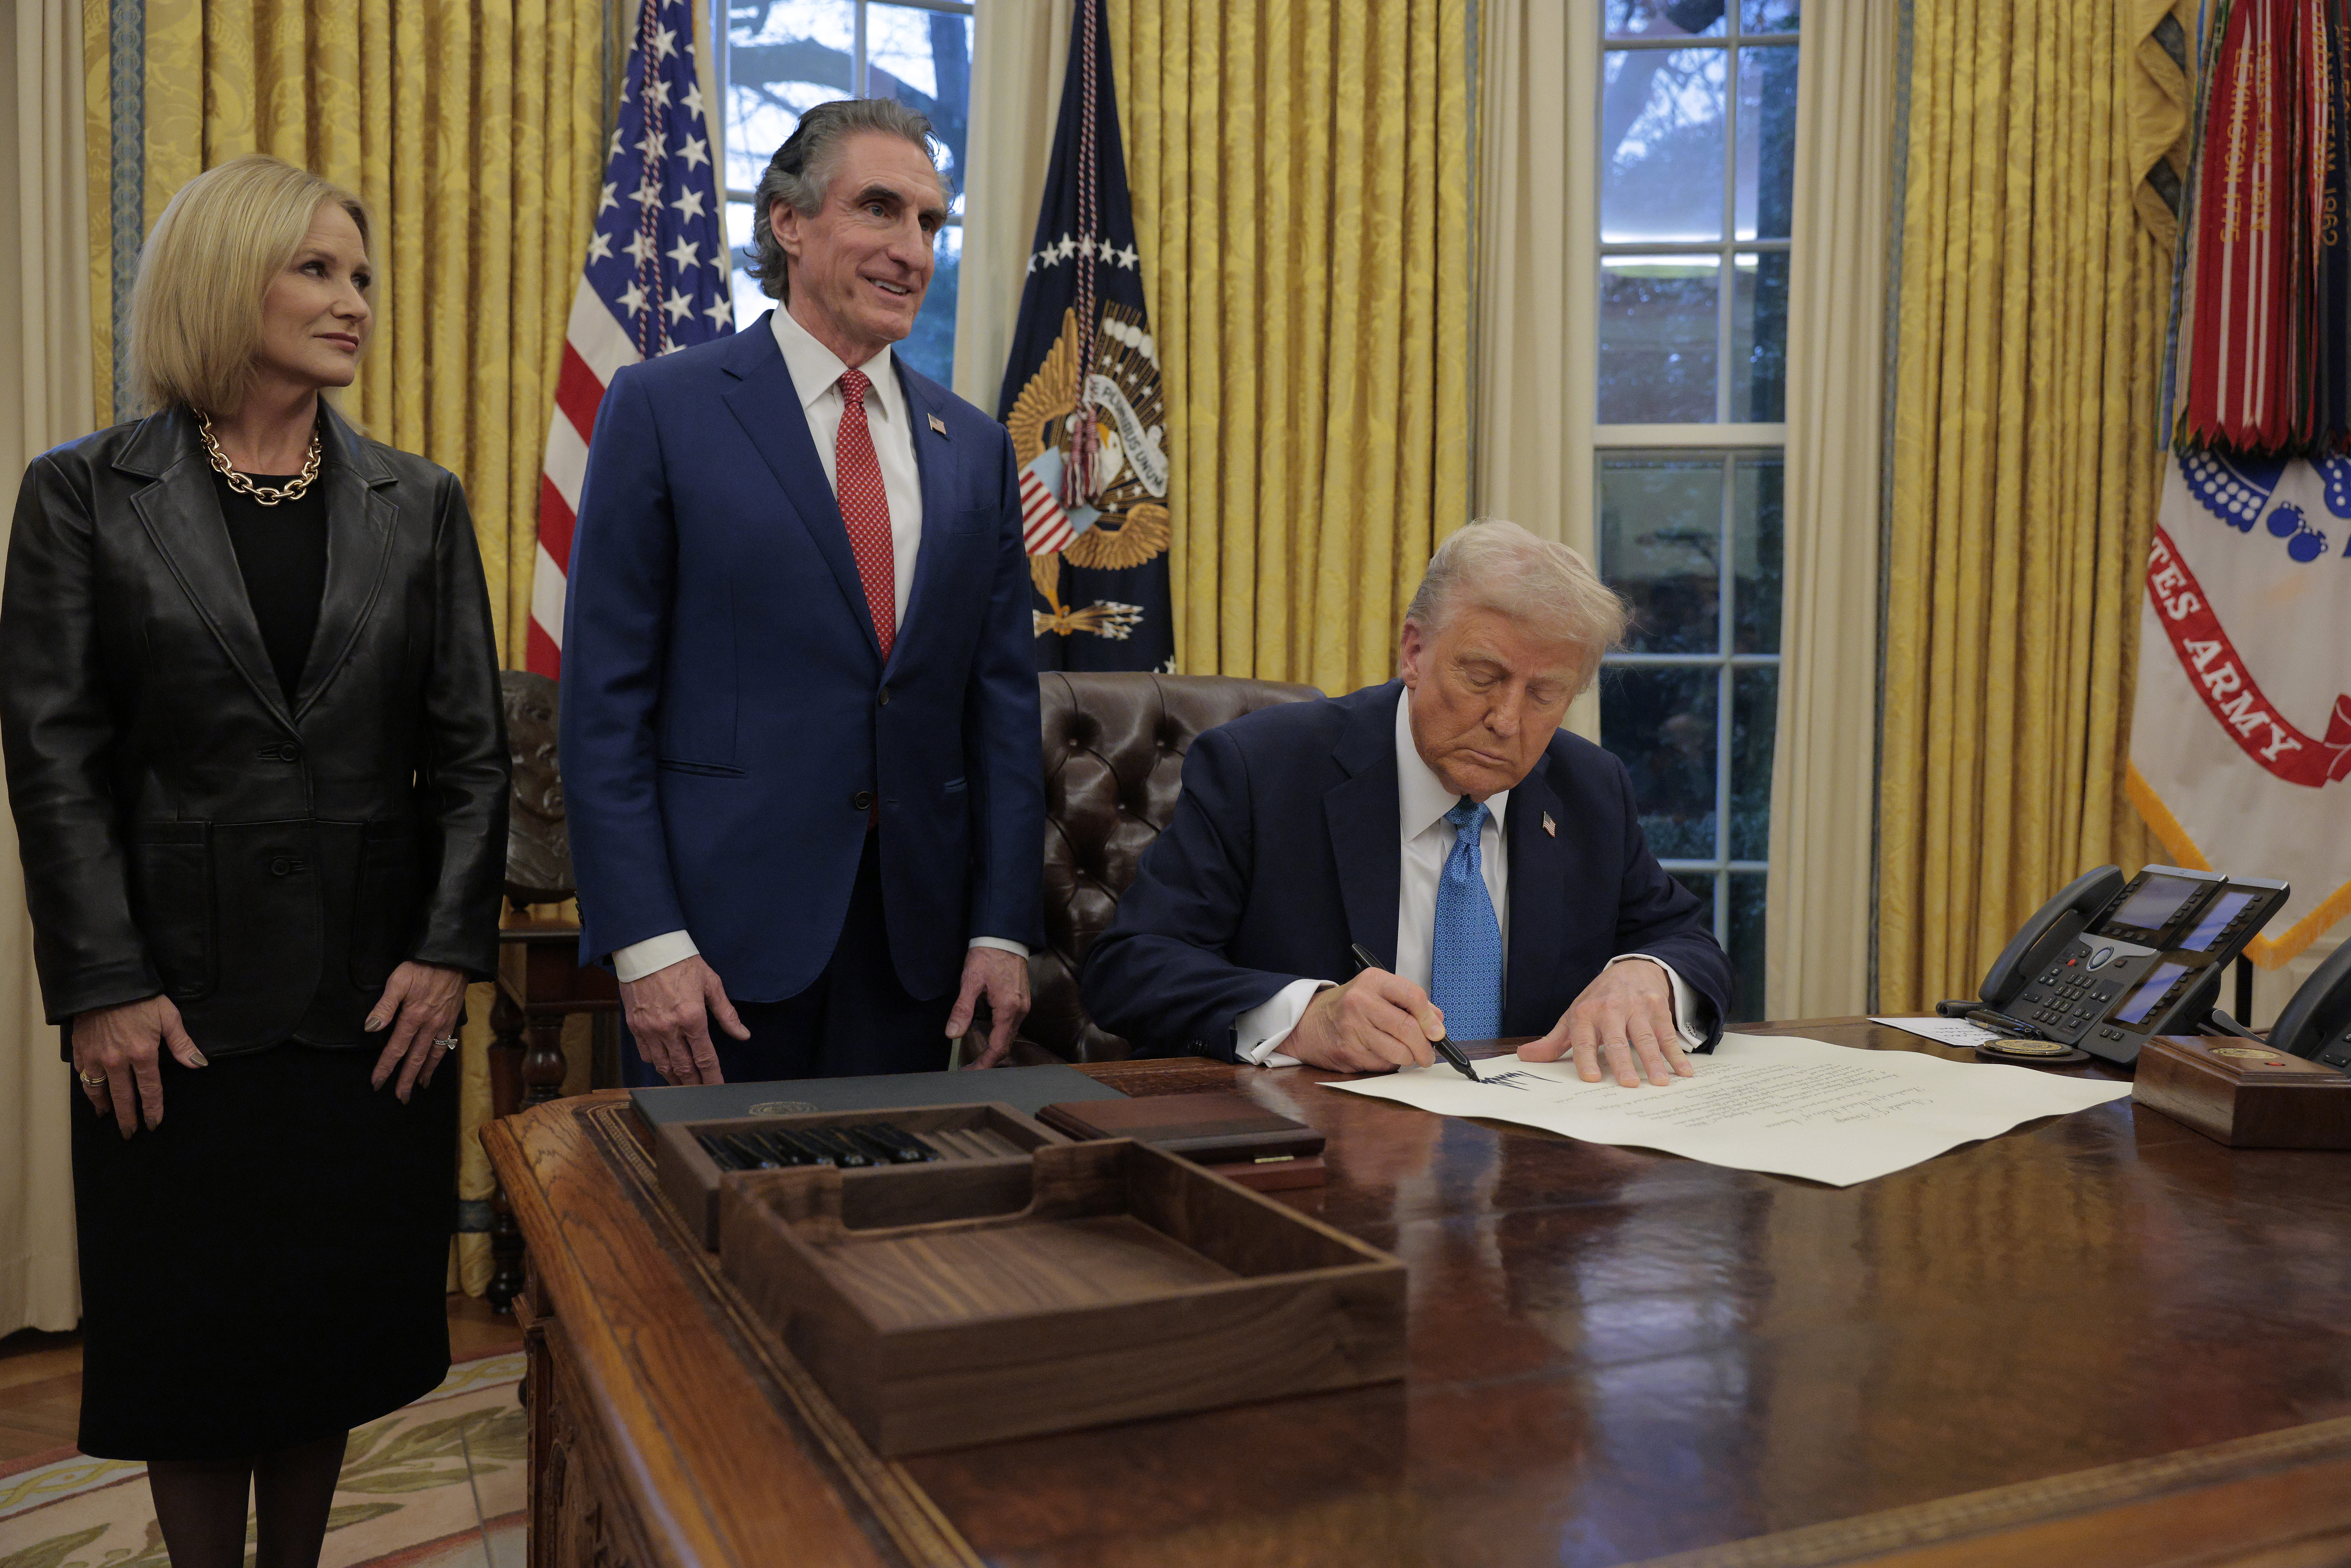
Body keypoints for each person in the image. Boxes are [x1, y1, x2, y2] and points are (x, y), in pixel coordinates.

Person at [0, 156, 507, 1567]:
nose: (354, 300)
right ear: (231, 280)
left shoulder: (420, 502)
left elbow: (470, 761)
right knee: (196, 1346)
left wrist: (449, 951)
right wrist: (101, 982)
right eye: (318, 270)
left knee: (330, 1337)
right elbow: (55, 769)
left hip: (372, 1007)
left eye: (359, 274)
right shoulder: (85, 498)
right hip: (172, 1009)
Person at [560, 99, 1042, 1086]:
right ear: (789, 221)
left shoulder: (978, 451)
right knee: (700, 1240)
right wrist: (646, 940)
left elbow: (1000, 712)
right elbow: (604, 707)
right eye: (879, 209)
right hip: (713, 958)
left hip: (913, 956)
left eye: (929, 224)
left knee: (892, 1240)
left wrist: (1004, 928)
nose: (911, 249)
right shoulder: (663, 409)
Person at [1081, 520, 1732, 1081]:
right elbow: (1133, 966)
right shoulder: (1261, 767)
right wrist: (1304, 1017)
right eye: (1483, 677)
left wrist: (1650, 973)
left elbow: (1684, 939)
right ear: (1414, 651)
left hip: (1530, 1157)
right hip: (1312, 1153)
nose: (1507, 719)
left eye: (1544, 695)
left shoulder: (1590, 787)